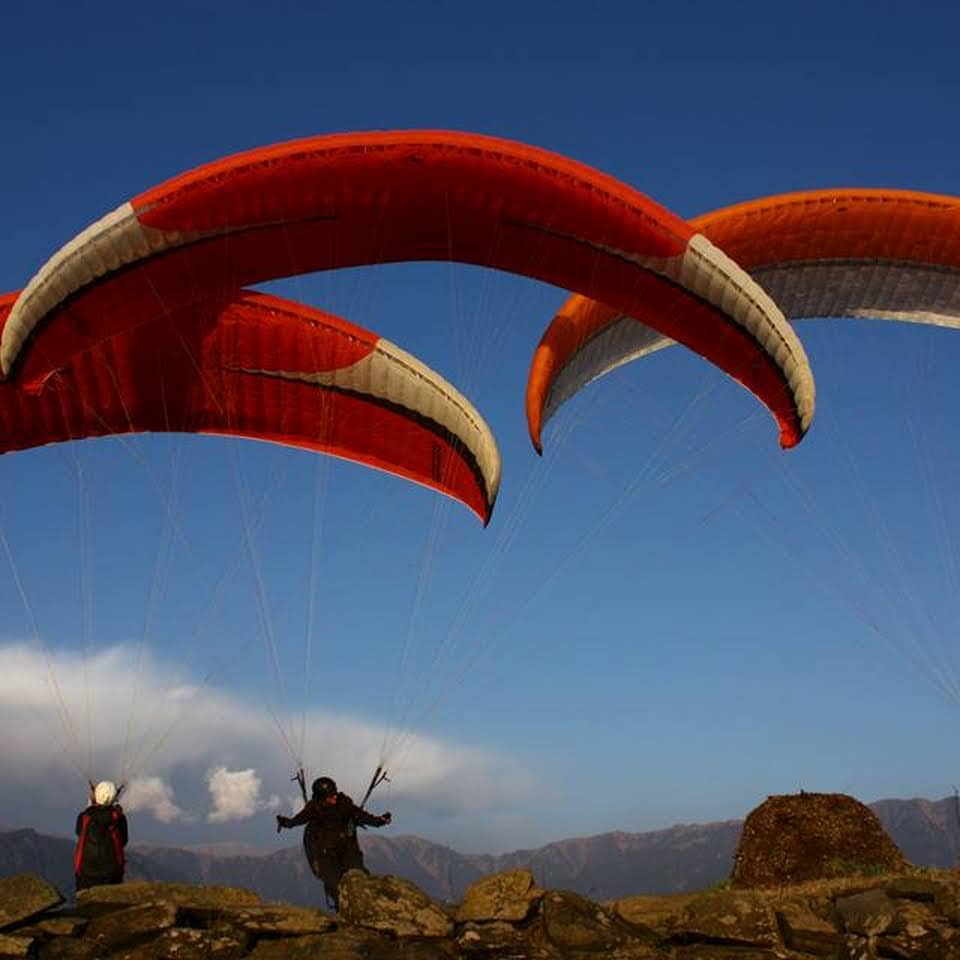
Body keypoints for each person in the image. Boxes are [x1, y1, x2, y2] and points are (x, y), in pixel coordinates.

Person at [276, 776, 391, 909]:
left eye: (335, 793)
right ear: (321, 798)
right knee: (336, 886)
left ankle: (370, 909)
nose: (335, 797)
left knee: (359, 878)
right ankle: (344, 911)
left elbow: (362, 816)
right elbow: (297, 821)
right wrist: (285, 822)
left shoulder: (344, 805)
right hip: (325, 854)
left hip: (347, 849)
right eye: (330, 796)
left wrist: (381, 821)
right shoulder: (313, 809)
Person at [74, 781, 128, 891]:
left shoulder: (84, 817)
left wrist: (90, 807)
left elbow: (79, 832)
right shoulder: (119, 818)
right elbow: (123, 841)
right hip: (112, 874)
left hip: (85, 873)